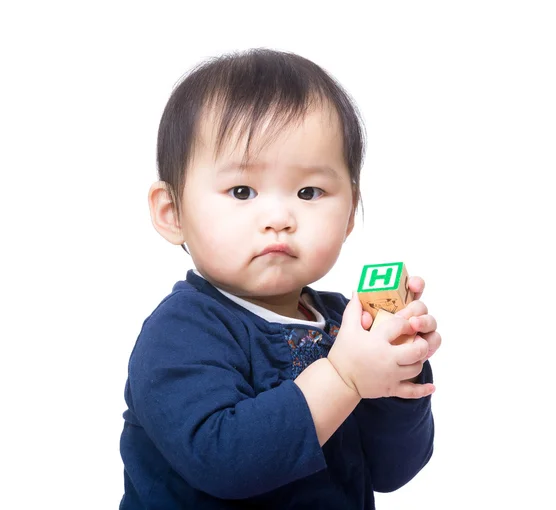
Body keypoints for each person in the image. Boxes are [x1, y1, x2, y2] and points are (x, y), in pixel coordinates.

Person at [119, 48, 441, 509]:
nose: (279, 217)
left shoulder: (344, 322)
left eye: (309, 192)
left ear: (350, 212)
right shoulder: (181, 333)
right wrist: (345, 377)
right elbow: (223, 460)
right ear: (173, 213)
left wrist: (395, 373)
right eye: (242, 191)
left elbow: (391, 471)